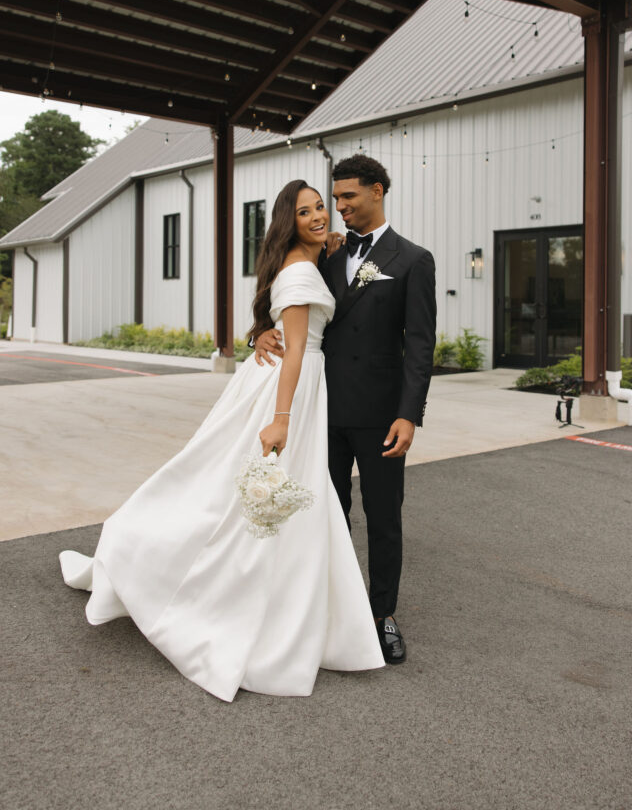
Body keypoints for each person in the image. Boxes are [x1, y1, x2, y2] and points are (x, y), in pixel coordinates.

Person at [59, 180, 384, 702]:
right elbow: (298, 351)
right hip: (289, 393)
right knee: (250, 497)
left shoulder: (307, 261)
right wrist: (281, 419)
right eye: (306, 212)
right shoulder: (299, 271)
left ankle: (279, 605)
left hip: (290, 384)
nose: (320, 215)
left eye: (321, 206)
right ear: (288, 222)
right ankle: (200, 588)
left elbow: (289, 328)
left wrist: (269, 323)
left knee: (262, 497)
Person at [256, 156, 436, 665]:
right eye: (333, 200)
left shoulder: (413, 260)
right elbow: (292, 309)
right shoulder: (324, 255)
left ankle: (382, 617)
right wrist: (260, 332)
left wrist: (409, 414)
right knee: (323, 514)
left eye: (347, 198)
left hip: (381, 415)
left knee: (383, 520)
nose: (338, 209)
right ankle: (321, 610)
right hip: (323, 411)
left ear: (377, 192)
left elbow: (420, 345)